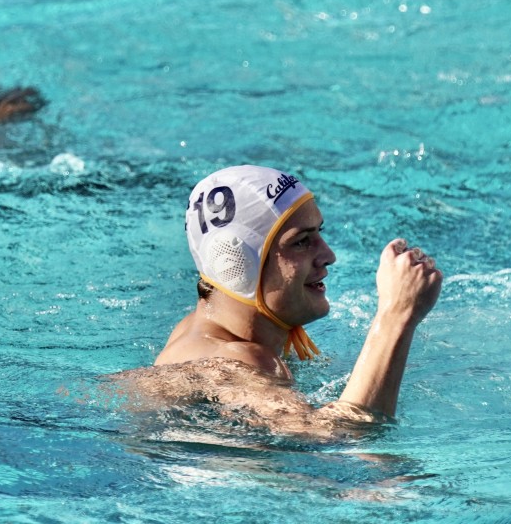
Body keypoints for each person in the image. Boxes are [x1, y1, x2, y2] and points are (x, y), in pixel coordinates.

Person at [115, 164, 442, 439]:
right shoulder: (237, 360)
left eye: (320, 234)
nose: (328, 255)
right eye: (302, 242)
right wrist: (396, 315)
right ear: (238, 265)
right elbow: (339, 439)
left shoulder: (204, 327)